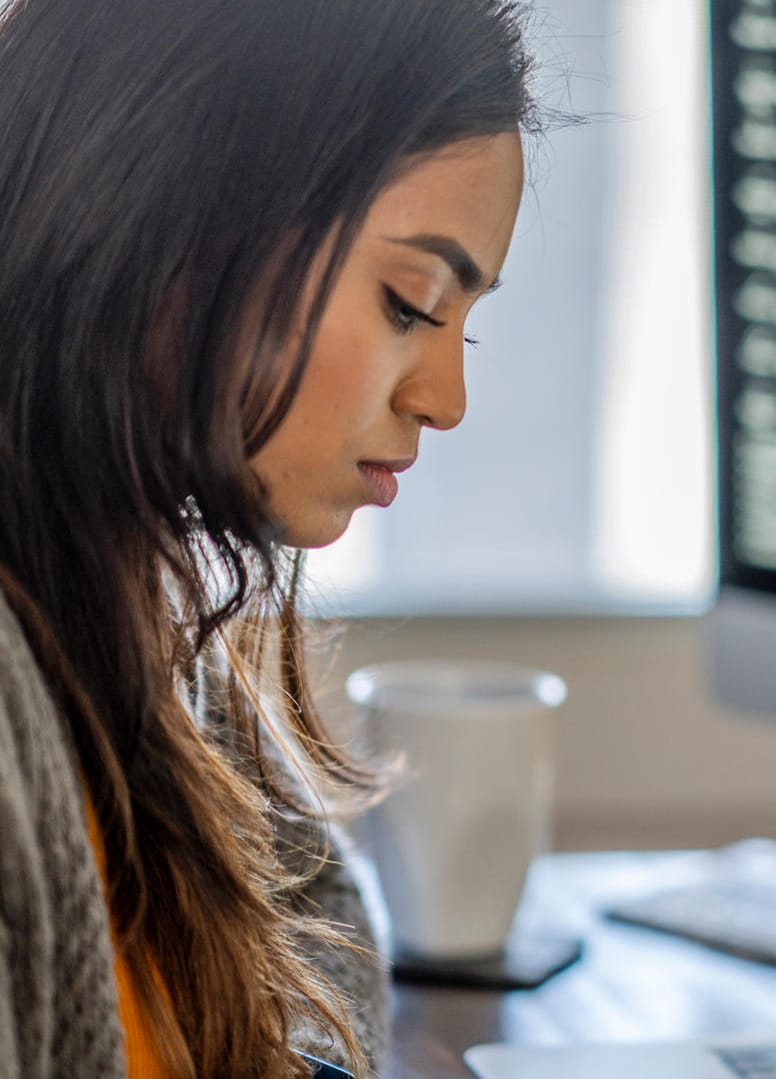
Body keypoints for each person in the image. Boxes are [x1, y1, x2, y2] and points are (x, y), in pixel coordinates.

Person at [0, 1, 539, 1076]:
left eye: (460, 324)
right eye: (408, 302)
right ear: (172, 227)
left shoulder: (140, 639)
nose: (446, 397)